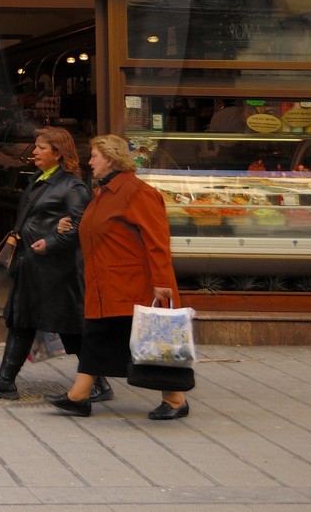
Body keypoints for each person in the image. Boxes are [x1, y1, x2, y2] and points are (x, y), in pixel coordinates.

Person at [49, 134, 192, 421]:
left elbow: (157, 240)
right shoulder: (104, 193)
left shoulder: (137, 193)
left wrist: (162, 281)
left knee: (151, 341)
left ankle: (176, 399)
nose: (90, 162)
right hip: (107, 285)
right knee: (98, 338)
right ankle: (79, 396)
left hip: (132, 285)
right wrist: (69, 226)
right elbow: (98, 230)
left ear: (110, 159)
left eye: (94, 156)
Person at [0, 127, 110, 402]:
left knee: (71, 328)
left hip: (58, 271)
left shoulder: (73, 186)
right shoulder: (40, 178)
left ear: (58, 153)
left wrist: (51, 242)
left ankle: (99, 383)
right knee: (21, 320)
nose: (34, 152)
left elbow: (80, 228)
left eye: (41, 148)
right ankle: (5, 380)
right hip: (33, 265)